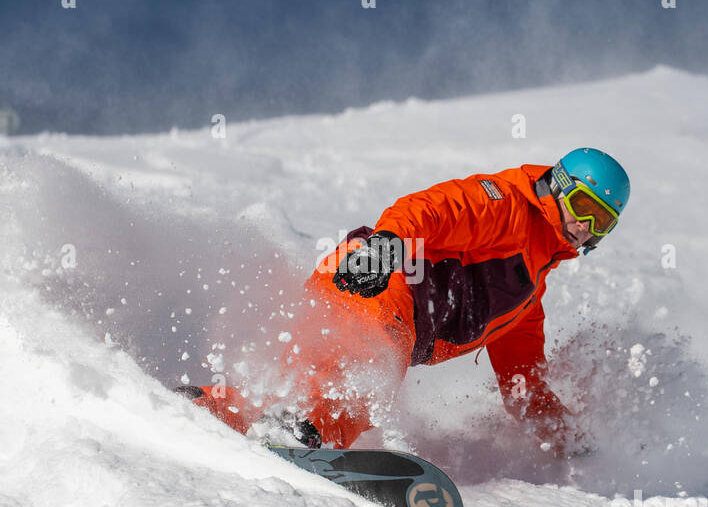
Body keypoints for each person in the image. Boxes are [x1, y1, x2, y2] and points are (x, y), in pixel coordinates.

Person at [181, 147, 631, 452]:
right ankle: (301, 438)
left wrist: (563, 434)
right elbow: (433, 208)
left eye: (602, 223)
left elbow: (523, 384)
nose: (585, 228)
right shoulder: (508, 207)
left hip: (362, 286)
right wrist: (386, 248)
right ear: (558, 186)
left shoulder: (528, 299)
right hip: (382, 281)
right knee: (365, 387)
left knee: (305, 390)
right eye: (583, 206)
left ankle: (200, 408)